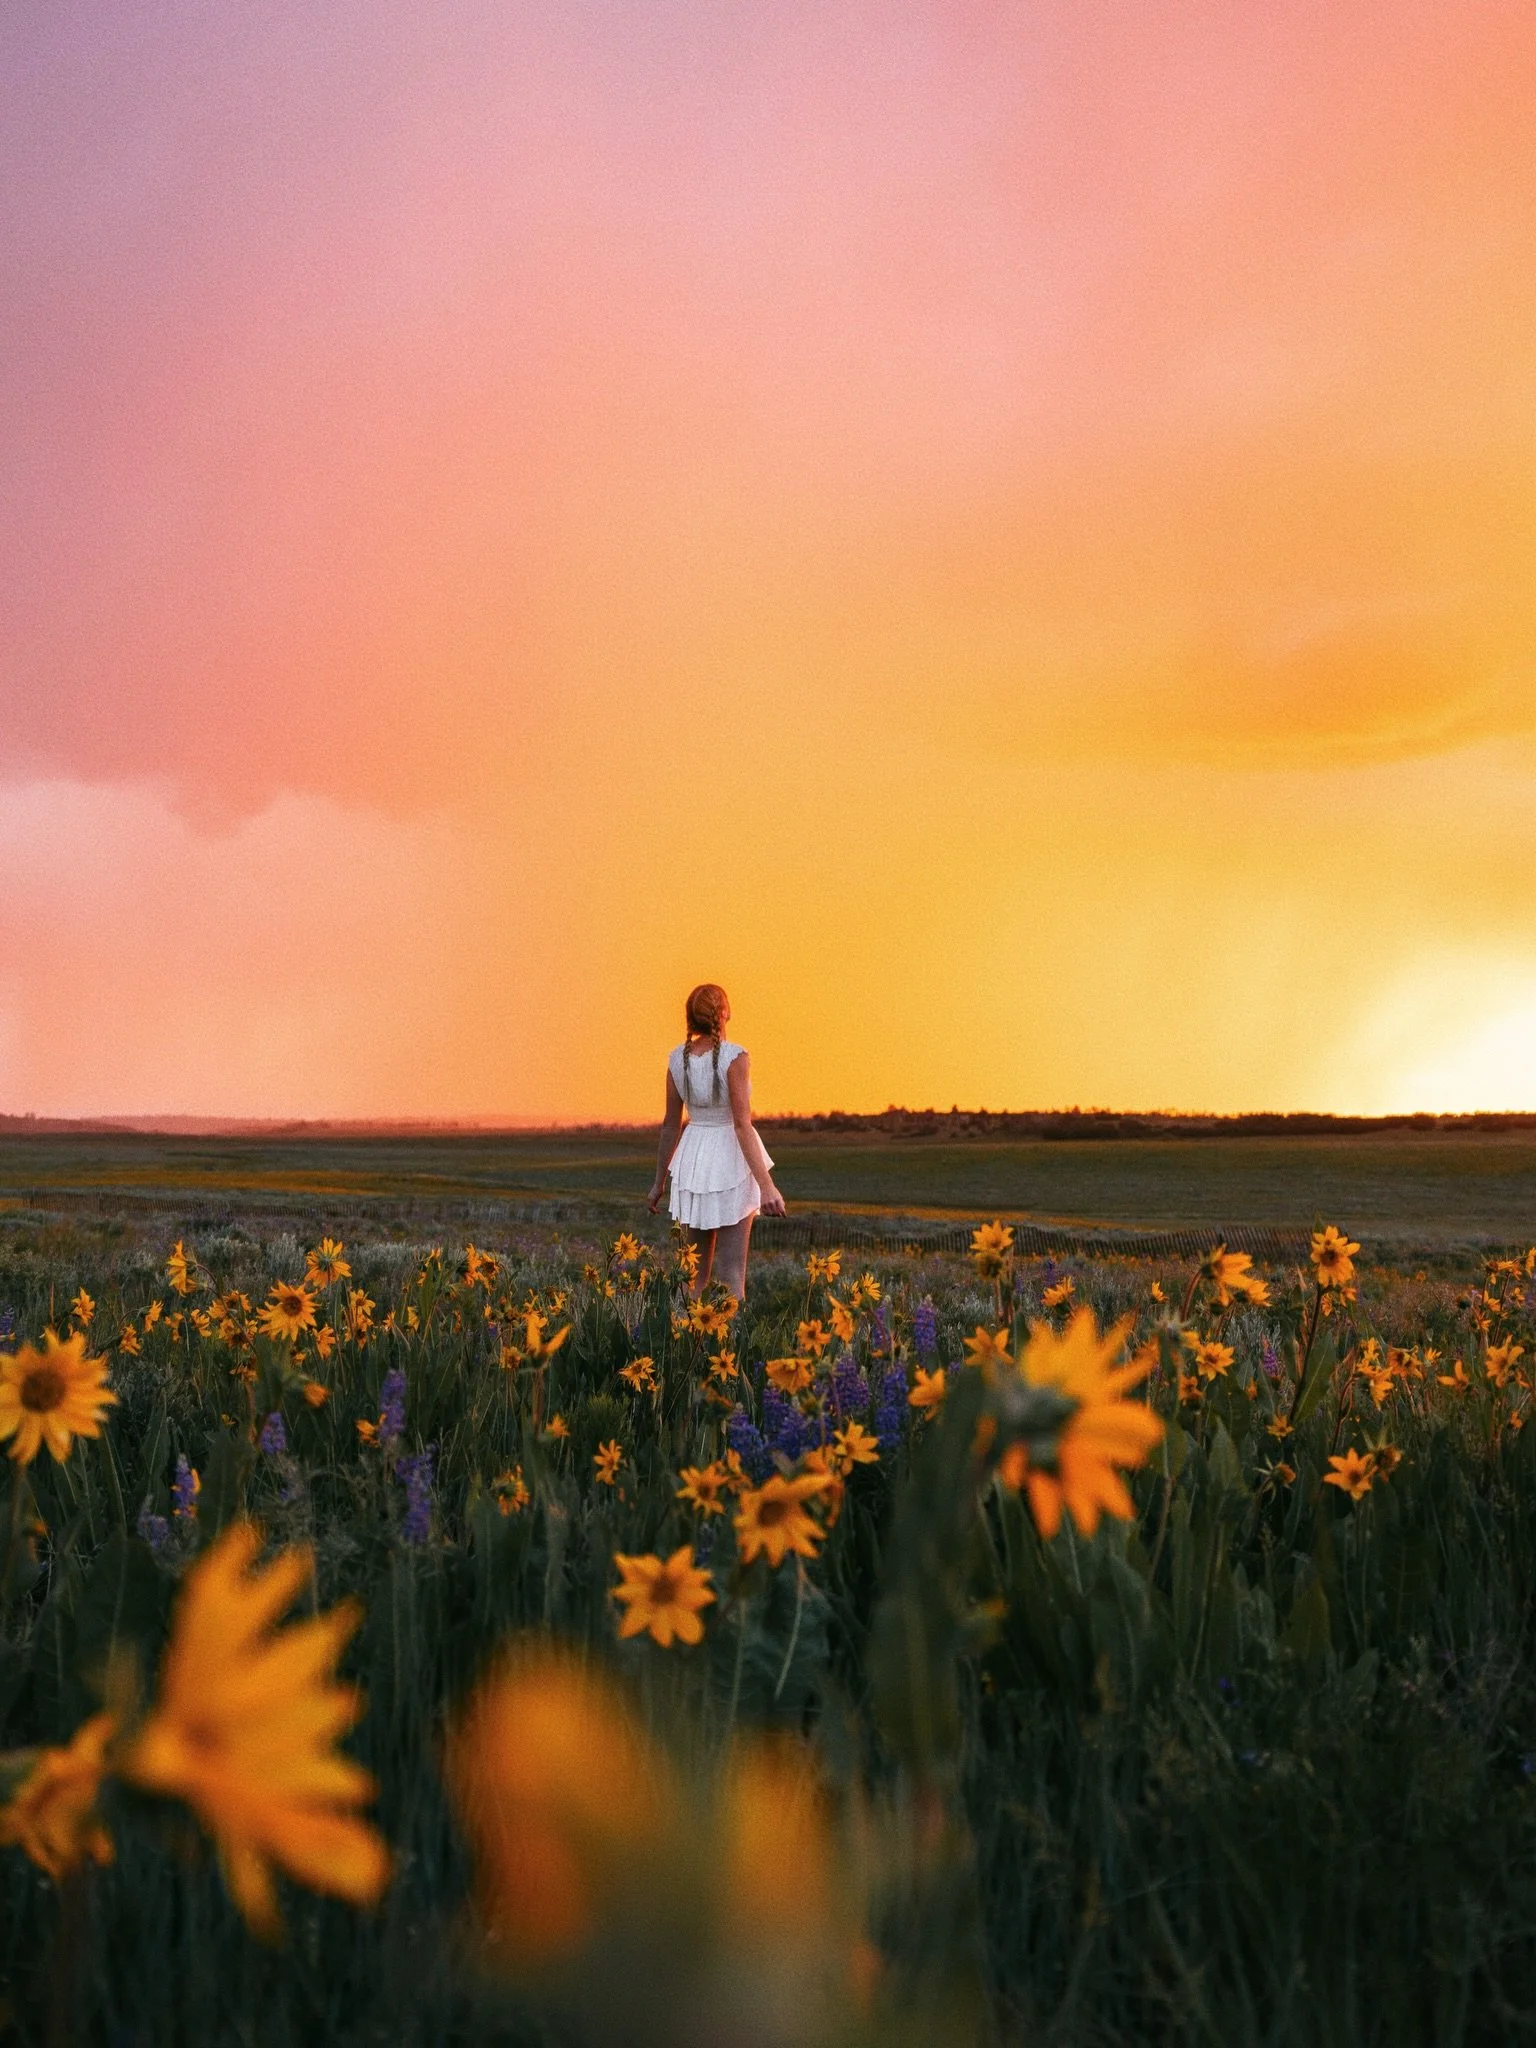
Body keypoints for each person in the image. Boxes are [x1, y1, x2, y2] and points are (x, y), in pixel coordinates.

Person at [646, 983, 785, 1298]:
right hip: (729, 1160)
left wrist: (659, 1183)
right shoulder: (735, 1057)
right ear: (723, 1013)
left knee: (692, 1275)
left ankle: (686, 1341)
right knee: (731, 1272)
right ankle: (731, 1345)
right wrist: (767, 1186)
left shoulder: (676, 1059)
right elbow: (741, 1125)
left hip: (693, 1158)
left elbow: (670, 1125)